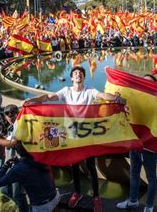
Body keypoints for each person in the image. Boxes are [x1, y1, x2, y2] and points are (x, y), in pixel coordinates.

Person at [22, 66, 125, 212]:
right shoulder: (66, 91)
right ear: (72, 78)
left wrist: (116, 98)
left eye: (81, 73)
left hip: (88, 134)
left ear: (84, 77)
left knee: (91, 166)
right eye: (76, 73)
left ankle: (96, 197)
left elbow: (102, 95)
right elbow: (48, 97)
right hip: (71, 134)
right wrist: (32, 100)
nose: (78, 75)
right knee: (75, 165)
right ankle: (77, 193)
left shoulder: (90, 91)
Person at [116, 74, 157, 212]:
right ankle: (133, 200)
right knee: (134, 173)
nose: (145, 85)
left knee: (151, 177)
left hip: (150, 146)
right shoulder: (133, 99)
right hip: (135, 143)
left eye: (149, 83)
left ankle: (149, 206)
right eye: (143, 82)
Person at [0, 104, 29, 211]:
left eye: (13, 115)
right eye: (8, 116)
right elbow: (8, 138)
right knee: (4, 190)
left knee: (18, 195)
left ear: (18, 114)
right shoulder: (12, 125)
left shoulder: (20, 125)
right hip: (9, 164)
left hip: (18, 165)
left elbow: (12, 143)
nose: (10, 118)